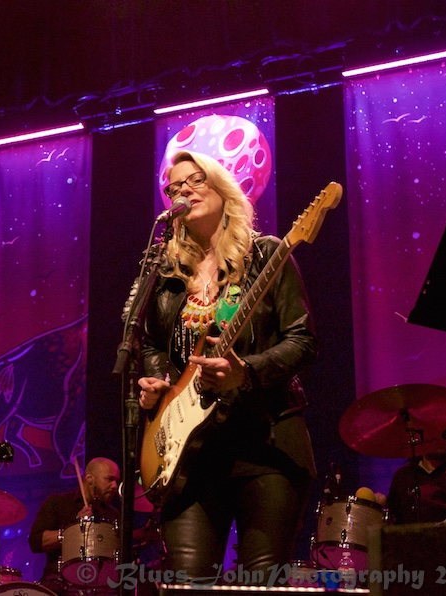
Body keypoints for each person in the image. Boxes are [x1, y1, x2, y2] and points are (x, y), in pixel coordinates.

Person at [135, 150, 318, 585]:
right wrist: (159, 384)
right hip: (191, 455)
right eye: (173, 187)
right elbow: (151, 343)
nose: (183, 191)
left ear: (222, 187)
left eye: (195, 180)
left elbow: (304, 340)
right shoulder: (166, 274)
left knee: (262, 582)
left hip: (266, 444)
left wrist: (247, 372)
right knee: (186, 580)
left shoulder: (267, 256)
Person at [29, 457, 121, 594]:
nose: (114, 486)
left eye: (116, 481)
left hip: (101, 584)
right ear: (90, 479)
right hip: (59, 582)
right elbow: (35, 542)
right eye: (109, 479)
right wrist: (75, 530)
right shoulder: (58, 503)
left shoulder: (113, 515)